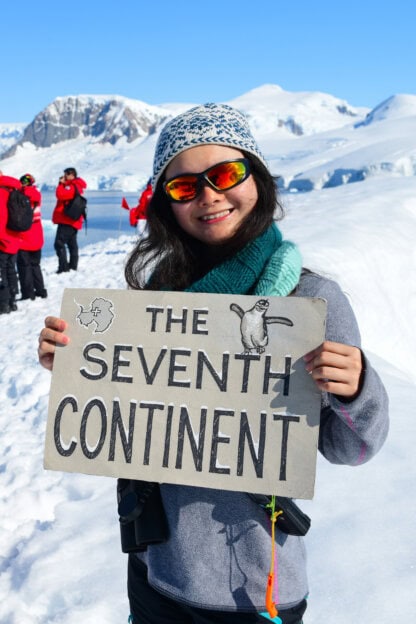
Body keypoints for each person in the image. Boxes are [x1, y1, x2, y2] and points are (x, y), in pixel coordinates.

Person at [38, 103, 389, 623]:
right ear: (167, 204)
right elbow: (137, 429)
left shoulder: (310, 300)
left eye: (226, 173)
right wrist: (78, 368)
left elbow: (355, 448)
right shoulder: (156, 300)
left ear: (258, 178)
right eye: (184, 187)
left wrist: (356, 388)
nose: (209, 195)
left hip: (254, 590)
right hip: (155, 569)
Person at [17, 174, 47, 300]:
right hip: (37, 236)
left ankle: (28, 293)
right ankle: (40, 290)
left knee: (24, 266)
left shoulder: (20, 197)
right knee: (35, 265)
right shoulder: (37, 195)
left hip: (24, 237)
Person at [52, 167, 87, 273]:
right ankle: (72, 266)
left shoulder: (71, 186)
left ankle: (64, 268)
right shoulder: (77, 186)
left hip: (67, 220)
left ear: (72, 175)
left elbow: (60, 195)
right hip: (73, 220)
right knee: (72, 244)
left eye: (66, 174)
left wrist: (60, 184)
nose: (65, 177)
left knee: (59, 243)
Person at [0, 170, 22, 313]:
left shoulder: (1, 192)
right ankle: (13, 301)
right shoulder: (13, 190)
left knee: (1, 272)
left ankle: (3, 305)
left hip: (2, 239)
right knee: (10, 270)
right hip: (14, 238)